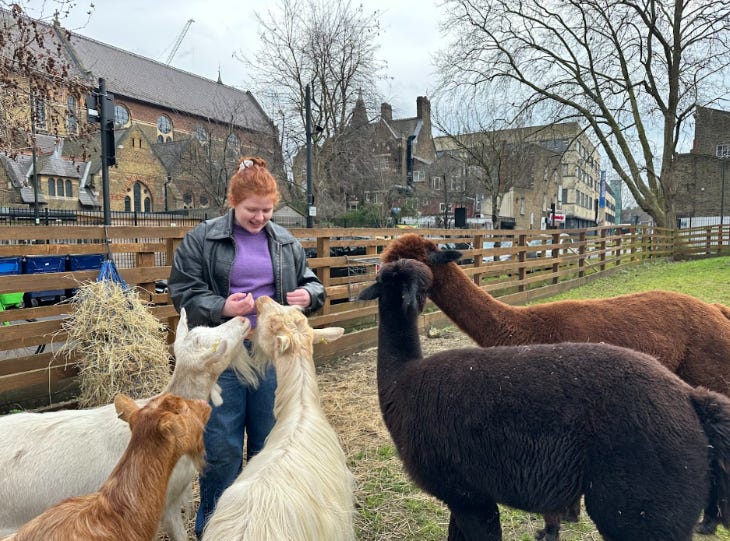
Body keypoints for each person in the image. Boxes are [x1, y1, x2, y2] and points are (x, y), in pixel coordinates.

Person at [167, 156, 326, 538]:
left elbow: (314, 283)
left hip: (271, 354)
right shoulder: (201, 239)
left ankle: (264, 525)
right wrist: (221, 306)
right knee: (220, 449)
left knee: (268, 443)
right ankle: (216, 528)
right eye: (252, 210)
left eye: (267, 211)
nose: (260, 218)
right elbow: (182, 291)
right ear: (233, 202)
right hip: (225, 358)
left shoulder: (286, 242)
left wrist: (309, 294)